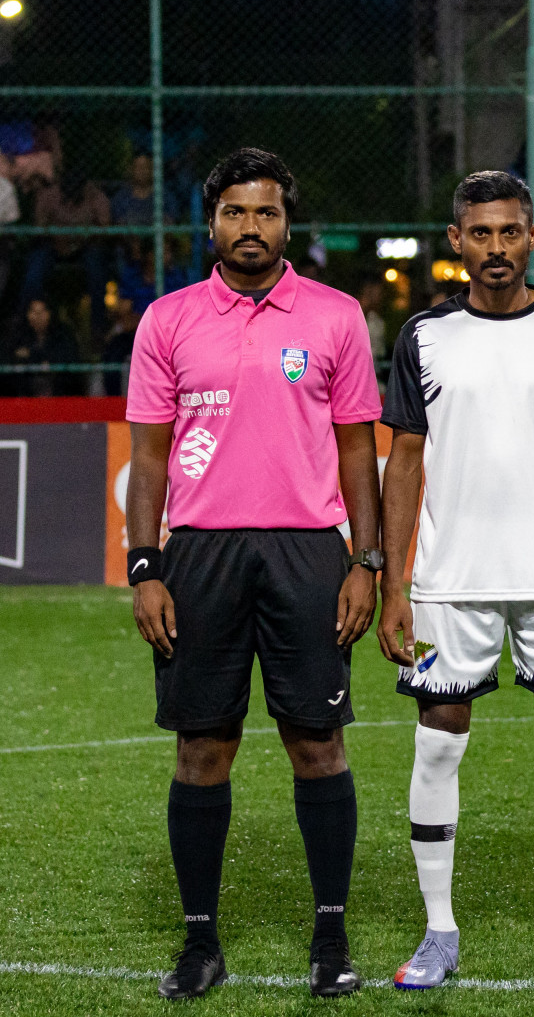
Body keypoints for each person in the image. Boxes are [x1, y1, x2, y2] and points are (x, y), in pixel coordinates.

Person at [124, 148, 383, 1000]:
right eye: (235, 212)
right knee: (202, 748)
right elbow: (151, 457)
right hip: (200, 552)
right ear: (212, 223)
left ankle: (330, 935)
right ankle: (200, 942)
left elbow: (357, 451)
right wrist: (145, 566)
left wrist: (366, 561)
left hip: (309, 551)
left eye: (265, 213)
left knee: (318, 743)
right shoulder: (167, 320)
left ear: (286, 222)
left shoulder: (337, 316)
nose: (250, 228)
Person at [377, 170, 534, 989]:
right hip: (451, 583)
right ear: (456, 241)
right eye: (478, 234)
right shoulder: (423, 337)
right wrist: (392, 584)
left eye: (508, 232)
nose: (494, 248)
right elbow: (404, 462)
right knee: (439, 745)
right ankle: (437, 931)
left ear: (531, 237)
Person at [23, 170, 111, 336]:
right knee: (35, 270)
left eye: (75, 193)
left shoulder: (96, 196)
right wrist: (60, 237)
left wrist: (81, 236)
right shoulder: (49, 195)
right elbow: (39, 228)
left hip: (85, 246)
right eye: (67, 192)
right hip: (54, 245)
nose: (71, 199)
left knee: (97, 268)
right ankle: (28, 327)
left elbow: (105, 229)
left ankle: (98, 327)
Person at [2, 298, 78, 396]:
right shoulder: (18, 334)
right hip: (24, 395)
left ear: (50, 314)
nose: (38, 316)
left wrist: (31, 355)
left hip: (60, 394)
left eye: (42, 312)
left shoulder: (63, 333)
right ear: (27, 314)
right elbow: (8, 358)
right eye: (33, 311)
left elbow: (68, 358)